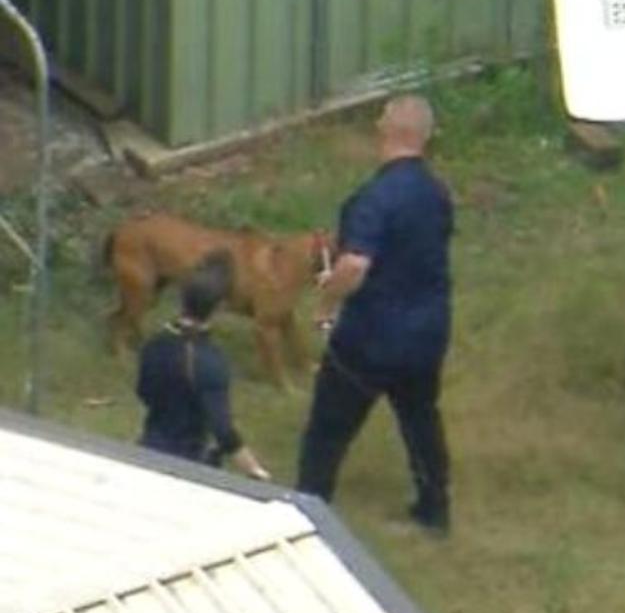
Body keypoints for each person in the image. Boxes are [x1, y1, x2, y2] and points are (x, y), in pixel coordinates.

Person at [297, 94, 454, 535]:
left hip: (371, 338)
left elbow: (355, 264)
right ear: (425, 136)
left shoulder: (373, 198)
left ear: (386, 131)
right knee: (421, 418)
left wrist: (327, 302)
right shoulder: (437, 192)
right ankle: (434, 510)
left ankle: (309, 511)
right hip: (427, 332)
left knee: (327, 429)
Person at [136, 249, 271, 480]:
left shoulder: (154, 344)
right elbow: (223, 431)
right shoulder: (210, 362)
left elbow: (143, 391)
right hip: (187, 463)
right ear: (219, 306)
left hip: (147, 449)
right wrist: (256, 471)